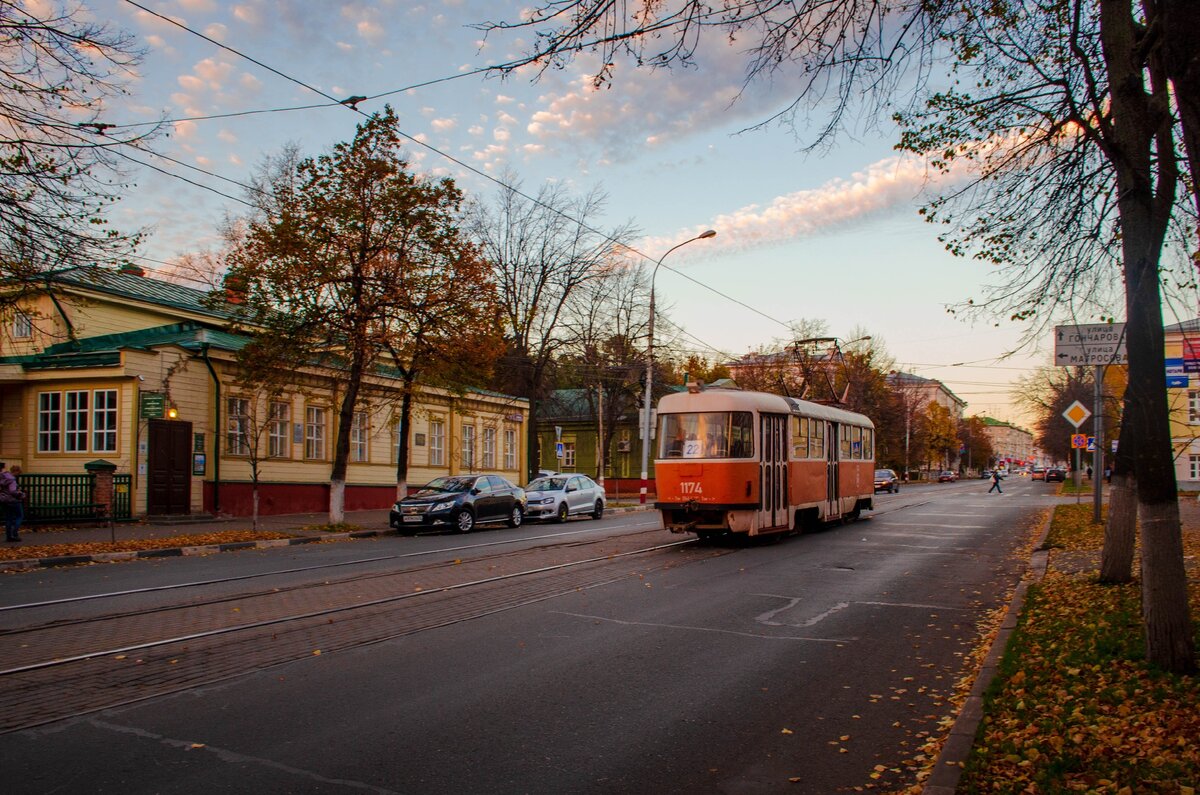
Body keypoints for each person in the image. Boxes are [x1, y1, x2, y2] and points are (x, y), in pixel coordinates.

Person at [0, 462, 25, 542]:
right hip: (13, 501)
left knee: (8, 518)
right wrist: (21, 494)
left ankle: (9, 536)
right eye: (18, 473)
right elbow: (13, 491)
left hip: (4, 500)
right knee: (19, 516)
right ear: (16, 472)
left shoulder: (3, 478)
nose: (18, 475)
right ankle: (15, 533)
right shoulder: (12, 480)